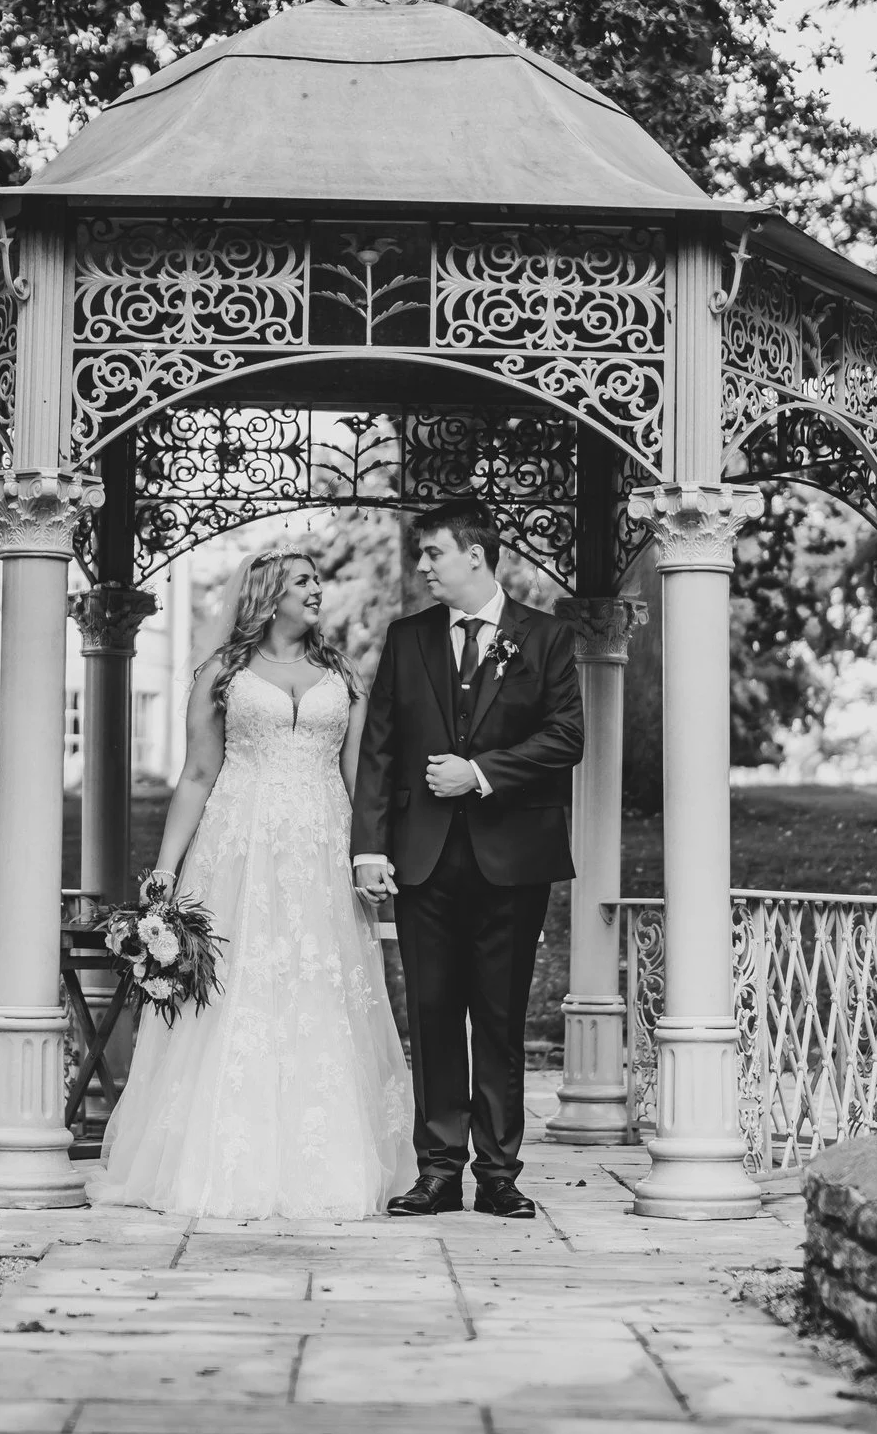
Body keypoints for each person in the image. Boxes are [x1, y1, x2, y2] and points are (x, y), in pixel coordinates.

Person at [90, 548, 416, 1218]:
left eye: (317, 580)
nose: (317, 590)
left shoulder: (341, 674)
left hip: (321, 847)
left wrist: (371, 852)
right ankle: (221, 1160)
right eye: (303, 581)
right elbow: (197, 775)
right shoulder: (223, 674)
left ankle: (325, 1161)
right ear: (269, 596)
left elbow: (361, 777)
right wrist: (166, 868)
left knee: (320, 985)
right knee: (237, 989)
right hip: (239, 845)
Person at [352, 500, 583, 1219]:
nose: (422, 566)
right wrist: (369, 846)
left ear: (475, 556)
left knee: (501, 1019)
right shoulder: (408, 638)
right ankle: (439, 1172)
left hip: (512, 860)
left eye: (433, 553)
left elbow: (566, 736)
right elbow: (380, 747)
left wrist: (479, 773)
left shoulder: (545, 637)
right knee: (432, 1016)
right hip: (422, 860)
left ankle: (500, 1174)